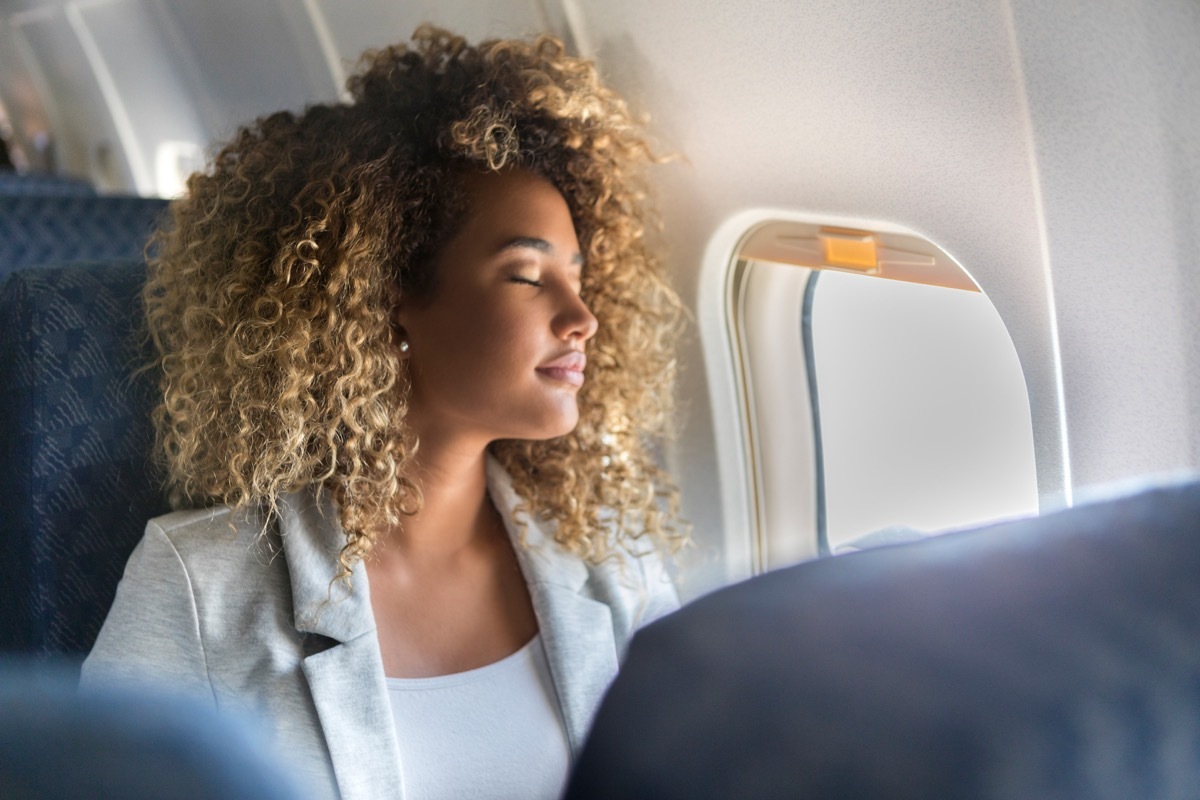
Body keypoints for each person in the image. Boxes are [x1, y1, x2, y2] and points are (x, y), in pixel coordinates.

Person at [81, 25, 685, 800]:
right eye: (527, 276)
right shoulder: (202, 585)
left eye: (578, 276)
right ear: (389, 299)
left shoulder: (613, 556)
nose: (582, 318)